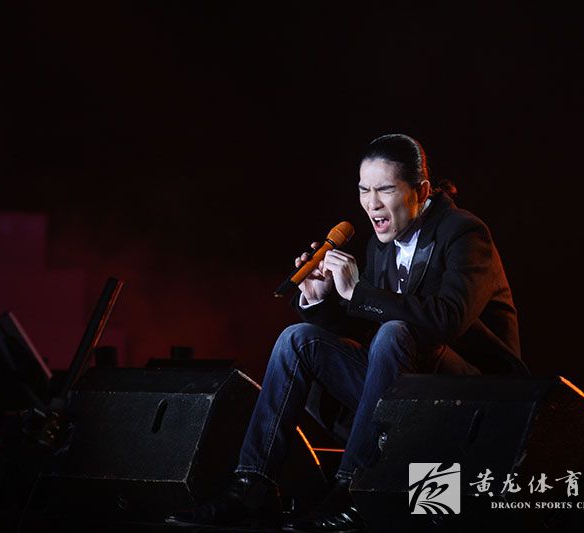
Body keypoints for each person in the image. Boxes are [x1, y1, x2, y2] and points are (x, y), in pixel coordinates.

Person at [166, 134, 527, 532]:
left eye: (385, 189)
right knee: (297, 340)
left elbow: (448, 320)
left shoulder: (464, 232)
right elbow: (369, 328)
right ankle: (252, 484)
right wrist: (323, 300)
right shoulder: (382, 244)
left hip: (474, 401)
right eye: (363, 190)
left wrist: (359, 291)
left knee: (394, 333)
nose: (372, 204)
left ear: (422, 191)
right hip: (407, 396)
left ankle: (352, 488)